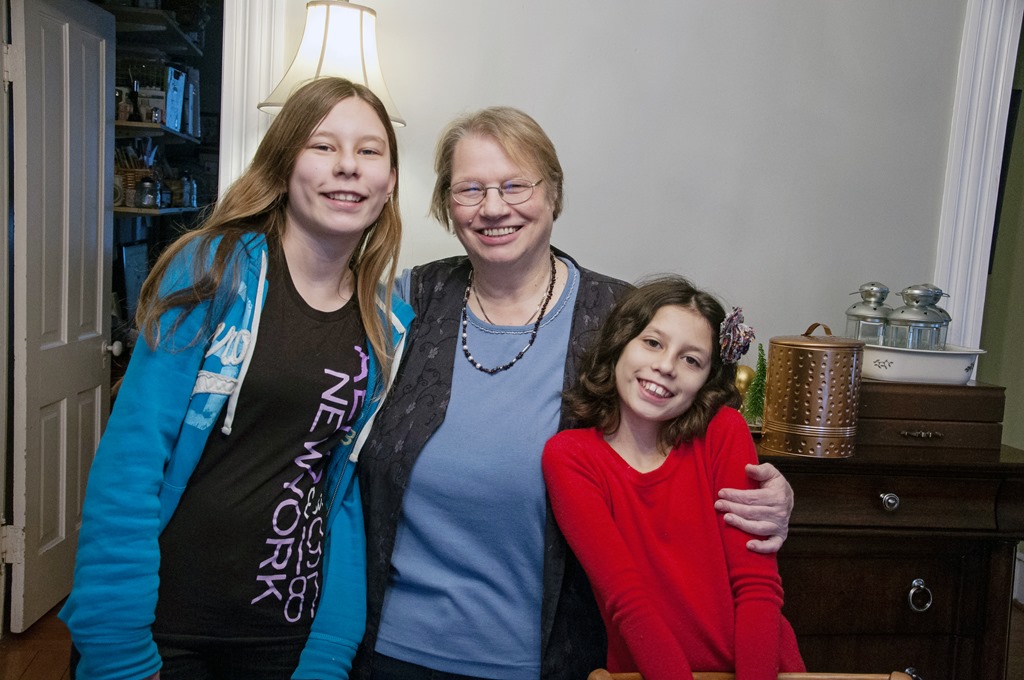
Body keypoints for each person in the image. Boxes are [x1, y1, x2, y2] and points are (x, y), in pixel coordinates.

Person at [301, 106, 794, 679]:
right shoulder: (407, 302)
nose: (493, 208)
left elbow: (698, 440)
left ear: (553, 193)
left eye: (516, 185)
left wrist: (773, 498)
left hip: (558, 661)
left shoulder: (621, 318)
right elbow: (314, 420)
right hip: (394, 653)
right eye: (470, 190)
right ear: (446, 205)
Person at [60, 77, 412, 680]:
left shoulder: (389, 325)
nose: (348, 166)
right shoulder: (215, 268)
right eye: (323, 146)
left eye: (369, 150)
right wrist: (116, 643)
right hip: (167, 628)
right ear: (284, 163)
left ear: (390, 181)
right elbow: (132, 459)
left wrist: (328, 652)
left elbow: (344, 496)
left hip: (287, 637)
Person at [542, 276, 805, 680]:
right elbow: (626, 601)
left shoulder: (723, 432)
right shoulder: (571, 457)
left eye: (691, 360)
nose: (665, 367)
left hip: (760, 671)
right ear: (620, 344)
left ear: (707, 379)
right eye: (653, 343)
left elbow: (757, 587)